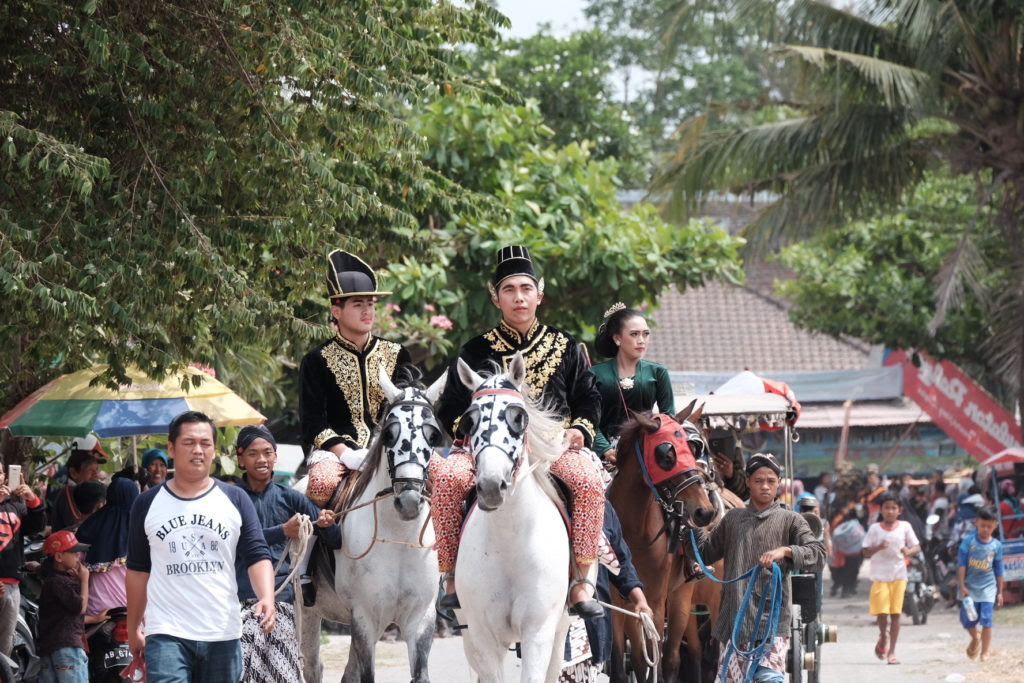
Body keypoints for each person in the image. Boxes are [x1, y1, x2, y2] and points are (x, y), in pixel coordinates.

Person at [431, 245, 605, 617]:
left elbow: (589, 398)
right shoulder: (474, 351)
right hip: (488, 451)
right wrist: (472, 434)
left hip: (552, 450)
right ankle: (450, 580)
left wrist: (578, 431)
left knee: (589, 480)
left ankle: (580, 582)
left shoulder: (567, 346)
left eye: (526, 288)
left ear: (539, 293)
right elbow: (448, 408)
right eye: (509, 289)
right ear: (496, 298)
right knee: (446, 477)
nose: (519, 297)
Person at [126, 411, 276, 683]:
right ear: (171, 448)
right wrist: (133, 626)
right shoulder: (146, 504)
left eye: (205, 443)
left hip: (222, 632)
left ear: (214, 450)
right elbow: (138, 570)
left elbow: (257, 555)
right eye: (189, 443)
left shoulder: (235, 499)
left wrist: (267, 596)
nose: (198, 450)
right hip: (166, 632)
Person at [698, 453, 825, 683]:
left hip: (772, 625)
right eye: (758, 481)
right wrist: (691, 523)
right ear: (747, 482)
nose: (765, 486)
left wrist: (786, 551)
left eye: (771, 481)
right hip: (734, 623)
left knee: (769, 679)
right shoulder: (732, 519)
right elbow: (705, 552)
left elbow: (818, 554)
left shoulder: (791, 520)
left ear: (778, 484)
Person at [298, 249, 411, 508]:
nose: (367, 311)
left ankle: (445, 548)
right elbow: (313, 422)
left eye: (370, 304)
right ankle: (304, 549)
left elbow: (410, 407)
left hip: (393, 445)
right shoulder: (317, 360)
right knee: (321, 484)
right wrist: (345, 454)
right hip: (336, 453)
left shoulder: (397, 353)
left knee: (441, 478)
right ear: (336, 311)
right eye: (358, 304)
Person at [233, 425, 338, 682]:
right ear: (240, 458)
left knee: (285, 676)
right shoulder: (230, 498)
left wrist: (328, 523)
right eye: (253, 453)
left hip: (281, 601)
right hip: (239, 602)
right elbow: (236, 542)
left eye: (267, 452)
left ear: (275, 456)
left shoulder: (290, 498)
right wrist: (282, 531)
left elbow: (334, 541)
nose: (262, 459)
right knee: (244, 675)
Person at [590, 303, 674, 464]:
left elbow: (668, 417)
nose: (641, 340)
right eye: (634, 334)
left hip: (647, 448)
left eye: (646, 334)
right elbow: (588, 418)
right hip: (602, 455)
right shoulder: (594, 374)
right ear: (617, 338)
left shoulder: (658, 372)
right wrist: (605, 449)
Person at [860, 491, 920, 665]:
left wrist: (908, 551)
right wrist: (878, 547)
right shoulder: (874, 529)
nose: (890, 511)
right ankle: (883, 635)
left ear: (899, 510)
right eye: (887, 508)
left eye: (894, 508)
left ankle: (892, 652)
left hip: (899, 574)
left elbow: (916, 546)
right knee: (882, 613)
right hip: (879, 575)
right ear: (881, 510)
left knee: (895, 614)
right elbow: (865, 551)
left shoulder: (905, 527)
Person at [76, 475, 139, 619]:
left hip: (96, 610)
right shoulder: (142, 529)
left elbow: (74, 567)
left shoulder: (89, 527)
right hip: (134, 610)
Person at [0, 463, 46, 659]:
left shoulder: (16, 507)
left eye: (0, 472)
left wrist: (32, 500)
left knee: (5, 642)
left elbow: (37, 525)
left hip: (11, 584)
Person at [37, 529, 90, 683]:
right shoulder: (59, 581)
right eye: (73, 553)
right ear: (59, 557)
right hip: (67, 648)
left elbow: (65, 616)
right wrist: (85, 580)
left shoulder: (53, 580)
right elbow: (80, 607)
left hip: (50, 648)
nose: (78, 556)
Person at [958, 505, 1004, 661]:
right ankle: (975, 637)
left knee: (986, 619)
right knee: (967, 619)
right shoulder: (968, 542)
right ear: (976, 522)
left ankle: (985, 652)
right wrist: (962, 585)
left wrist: (1000, 592)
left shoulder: (997, 545)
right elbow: (962, 564)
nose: (985, 529)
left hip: (988, 588)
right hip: (970, 587)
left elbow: (999, 569)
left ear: (995, 525)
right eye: (983, 525)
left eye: (989, 527)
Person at [49, 435, 107, 530]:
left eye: (96, 470)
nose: (96, 475)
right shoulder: (68, 490)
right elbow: (77, 522)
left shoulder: (66, 476)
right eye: (91, 471)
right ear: (74, 472)